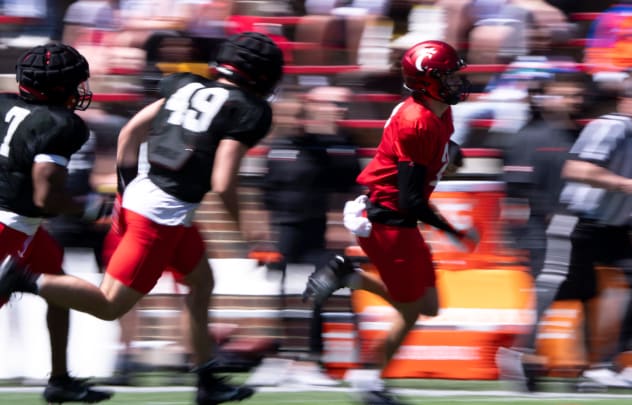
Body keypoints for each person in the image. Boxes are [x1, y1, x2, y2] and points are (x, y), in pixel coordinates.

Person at [0, 32, 285, 405]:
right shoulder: (249, 109)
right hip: (157, 215)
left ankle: (203, 379)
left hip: (150, 203)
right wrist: (248, 230)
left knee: (201, 282)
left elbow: (131, 131)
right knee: (109, 305)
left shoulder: (186, 86)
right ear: (261, 76)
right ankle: (21, 280)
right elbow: (222, 179)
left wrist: (125, 188)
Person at [302, 40, 478, 405]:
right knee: (413, 309)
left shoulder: (437, 109)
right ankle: (368, 380)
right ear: (428, 81)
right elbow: (411, 199)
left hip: (393, 219)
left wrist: (450, 154)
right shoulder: (417, 121)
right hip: (390, 222)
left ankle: (349, 277)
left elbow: (435, 150)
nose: (458, 81)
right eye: (449, 75)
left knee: (427, 307)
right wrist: (455, 232)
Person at [497, 70, 632, 391]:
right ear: (625, 100)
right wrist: (626, 185)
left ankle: (619, 360)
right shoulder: (610, 126)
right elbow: (576, 168)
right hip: (581, 219)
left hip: (617, 225)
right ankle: (523, 353)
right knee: (559, 287)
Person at [0, 42, 113, 403]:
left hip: (25, 227)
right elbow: (45, 196)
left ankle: (60, 379)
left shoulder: (5, 105)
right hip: (10, 228)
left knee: (57, 287)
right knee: (45, 284)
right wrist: (88, 207)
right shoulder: (60, 124)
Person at [260, 85, 361, 386]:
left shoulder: (334, 148)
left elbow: (350, 189)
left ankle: (311, 360)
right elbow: (267, 194)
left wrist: (337, 225)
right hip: (286, 231)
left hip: (318, 232)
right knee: (286, 297)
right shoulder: (277, 149)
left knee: (316, 293)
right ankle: (283, 359)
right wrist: (263, 234)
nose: (292, 119)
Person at [502, 68, 591, 278]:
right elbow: (515, 194)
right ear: (547, 99)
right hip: (542, 236)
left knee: (583, 298)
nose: (573, 101)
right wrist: (520, 238)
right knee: (547, 296)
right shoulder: (528, 138)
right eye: (564, 95)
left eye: (577, 95)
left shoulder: (586, 137)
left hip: (581, 234)